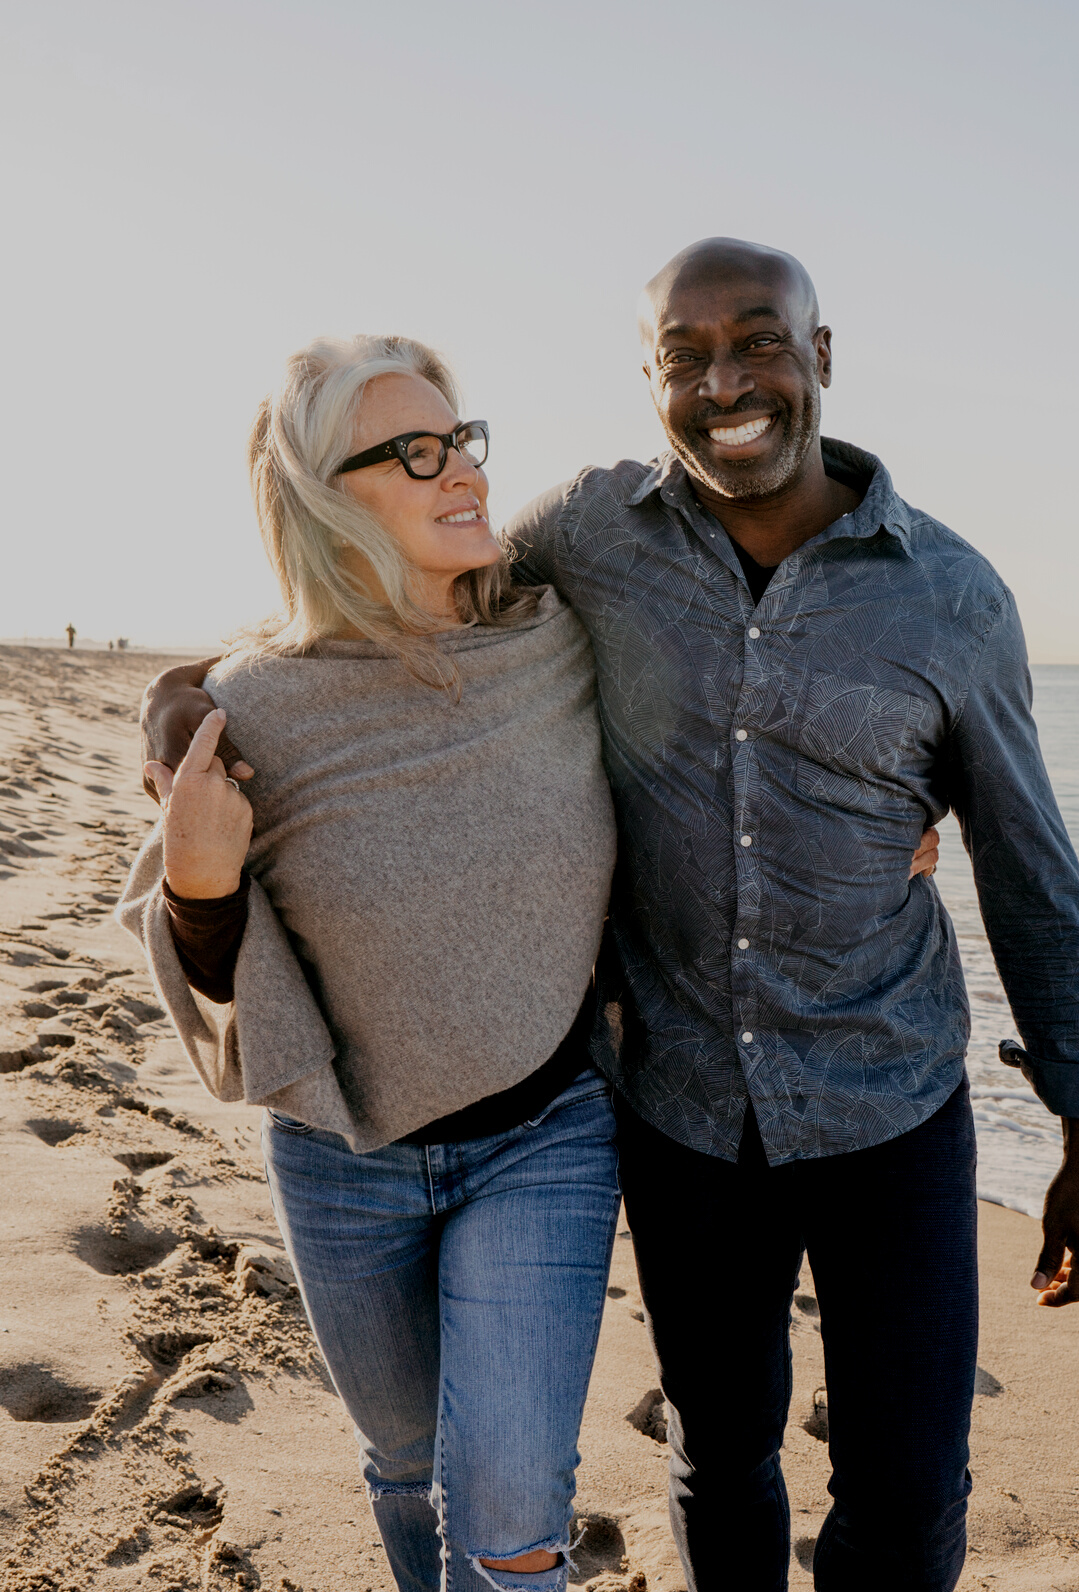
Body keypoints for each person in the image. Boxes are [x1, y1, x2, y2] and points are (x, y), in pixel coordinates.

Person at [145, 240, 1079, 1592]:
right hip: (674, 1107)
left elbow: (1031, 866)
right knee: (719, 1449)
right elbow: (370, 610)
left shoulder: (949, 597)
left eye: (760, 342)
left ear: (821, 356)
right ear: (650, 380)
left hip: (887, 1097)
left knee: (907, 1494)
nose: (726, 381)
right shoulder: (587, 540)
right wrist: (182, 687)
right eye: (685, 357)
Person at [117, 334, 624, 1592]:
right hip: (345, 1156)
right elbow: (228, 983)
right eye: (414, 451)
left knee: (508, 1503)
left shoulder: (558, 642)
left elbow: (725, 694)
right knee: (405, 1462)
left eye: (461, 440)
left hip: (550, 1133)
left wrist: (886, 804)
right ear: (321, 496)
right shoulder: (258, 707)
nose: (460, 471)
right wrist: (195, 882)